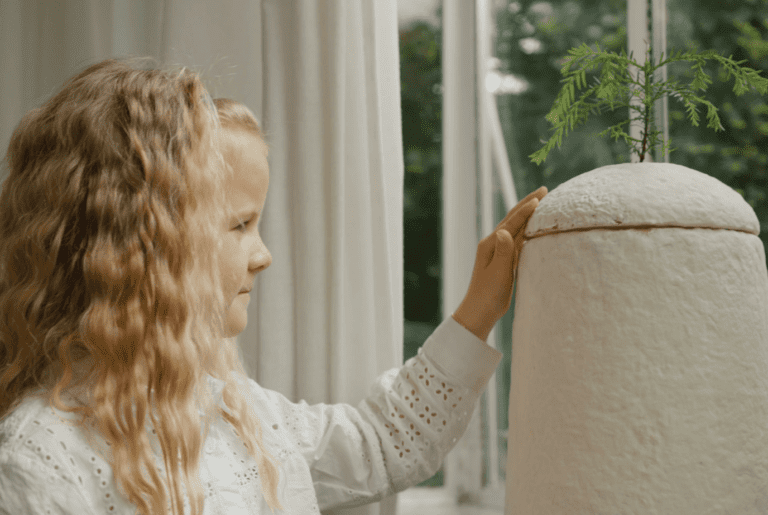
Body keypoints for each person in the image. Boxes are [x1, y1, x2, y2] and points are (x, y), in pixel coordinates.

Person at [0, 57, 546, 515]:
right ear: (141, 245)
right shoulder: (39, 459)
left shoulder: (237, 411)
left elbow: (385, 442)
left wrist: (480, 307)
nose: (264, 256)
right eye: (239, 225)